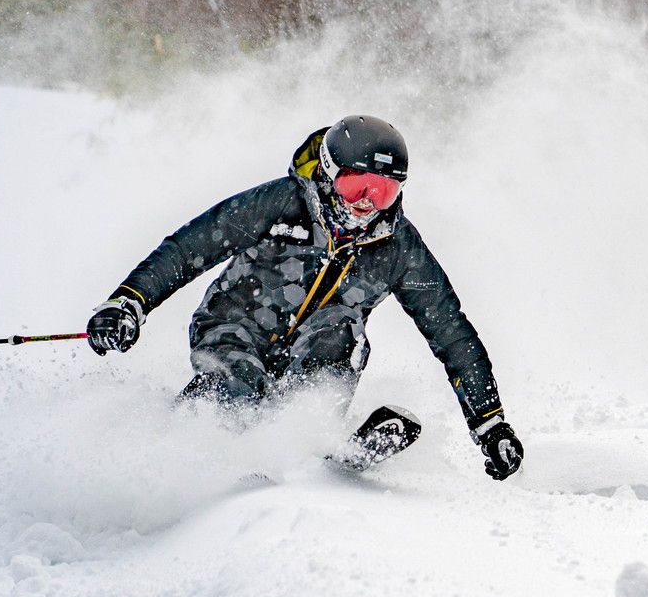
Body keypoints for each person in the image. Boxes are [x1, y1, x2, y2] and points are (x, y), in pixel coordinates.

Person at [85, 115, 523, 480]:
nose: (368, 205)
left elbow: (451, 331)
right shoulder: (280, 203)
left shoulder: (399, 247)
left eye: (384, 191)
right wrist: (129, 301)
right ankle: (190, 445)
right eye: (359, 188)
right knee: (239, 383)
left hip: (316, 347)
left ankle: (309, 443)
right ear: (331, 173)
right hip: (235, 327)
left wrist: (491, 424)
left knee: (343, 329)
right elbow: (189, 247)